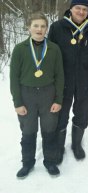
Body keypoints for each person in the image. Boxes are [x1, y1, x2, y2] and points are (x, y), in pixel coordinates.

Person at [10, 12, 64, 178]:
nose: (39, 29)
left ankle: (50, 161)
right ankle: (27, 163)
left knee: (49, 130)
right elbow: (14, 78)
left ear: (46, 28)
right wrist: (18, 102)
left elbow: (60, 76)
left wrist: (58, 99)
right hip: (27, 96)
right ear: (29, 27)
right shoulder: (20, 49)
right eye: (36, 26)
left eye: (42, 26)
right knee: (28, 130)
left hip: (48, 95)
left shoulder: (54, 48)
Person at [48, 0, 88, 163]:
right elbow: (49, 55)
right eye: (77, 8)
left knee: (82, 113)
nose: (81, 11)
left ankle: (76, 145)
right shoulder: (57, 27)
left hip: (85, 81)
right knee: (61, 114)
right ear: (70, 9)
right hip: (63, 81)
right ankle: (60, 146)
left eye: (84, 9)